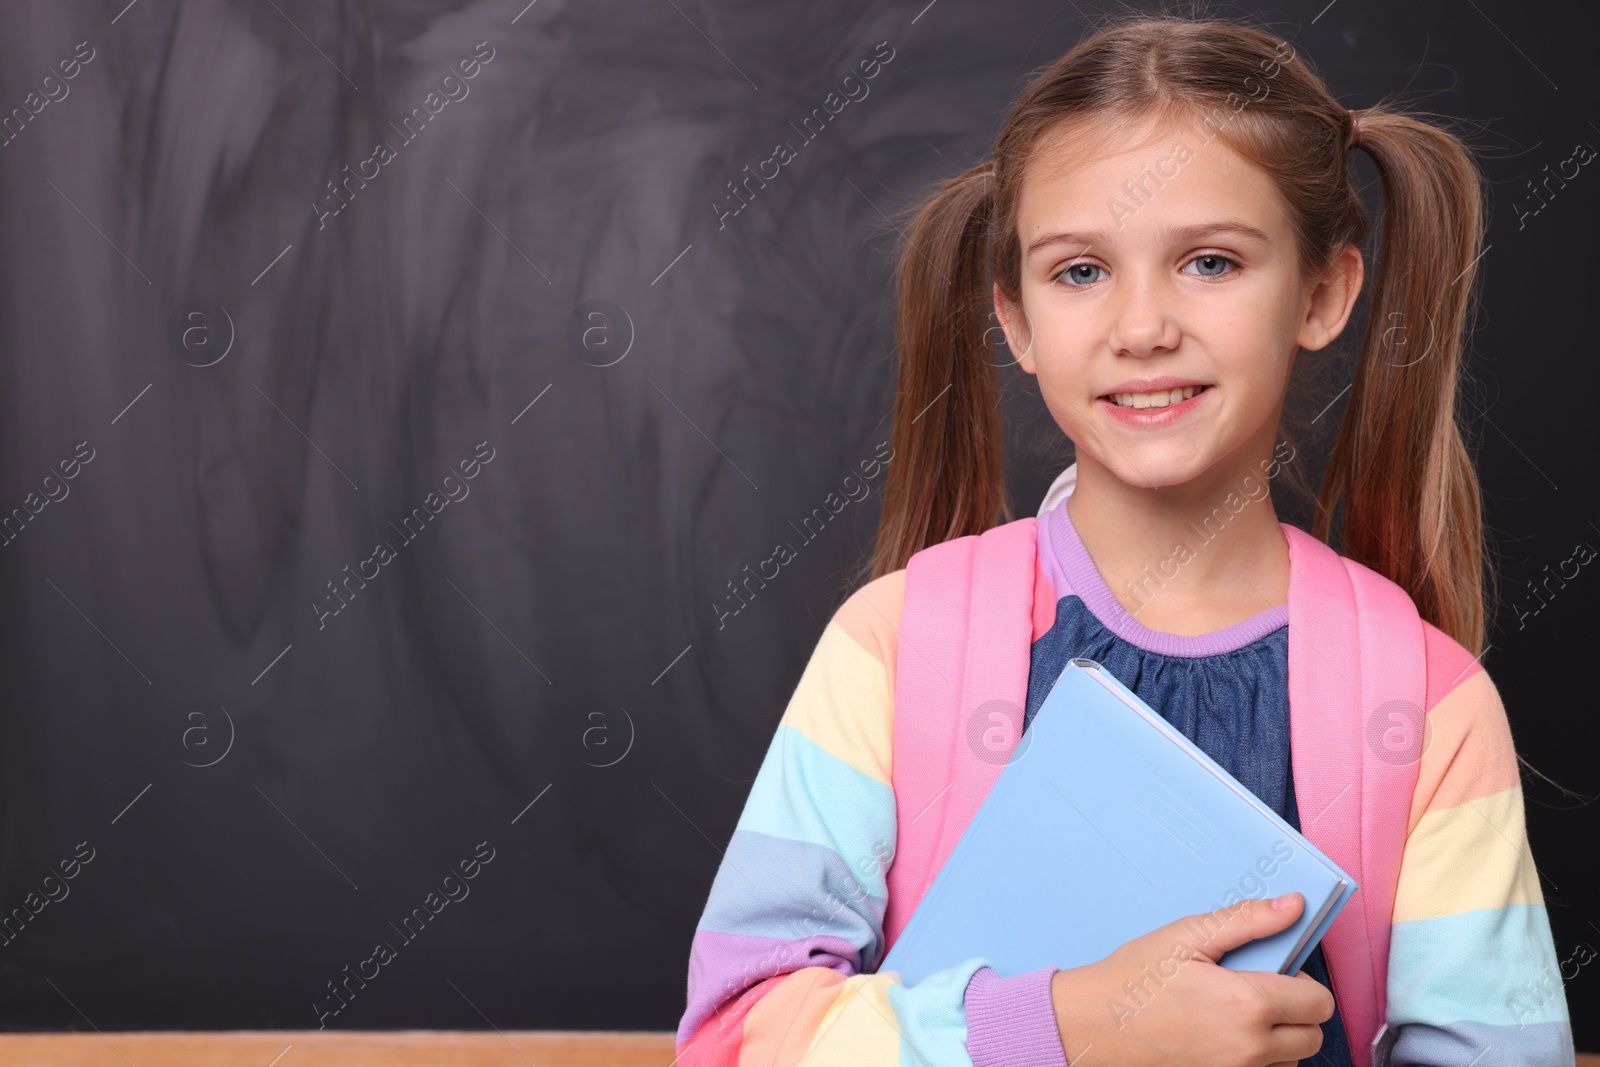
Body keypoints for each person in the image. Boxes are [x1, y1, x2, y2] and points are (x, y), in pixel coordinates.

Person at [675, 13, 1576, 1067]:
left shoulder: (1427, 704)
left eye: (1208, 260)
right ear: (1013, 318)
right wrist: (1063, 1025)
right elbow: (738, 1032)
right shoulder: (892, 647)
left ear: (1323, 292)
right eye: (1080, 272)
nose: (1141, 326)